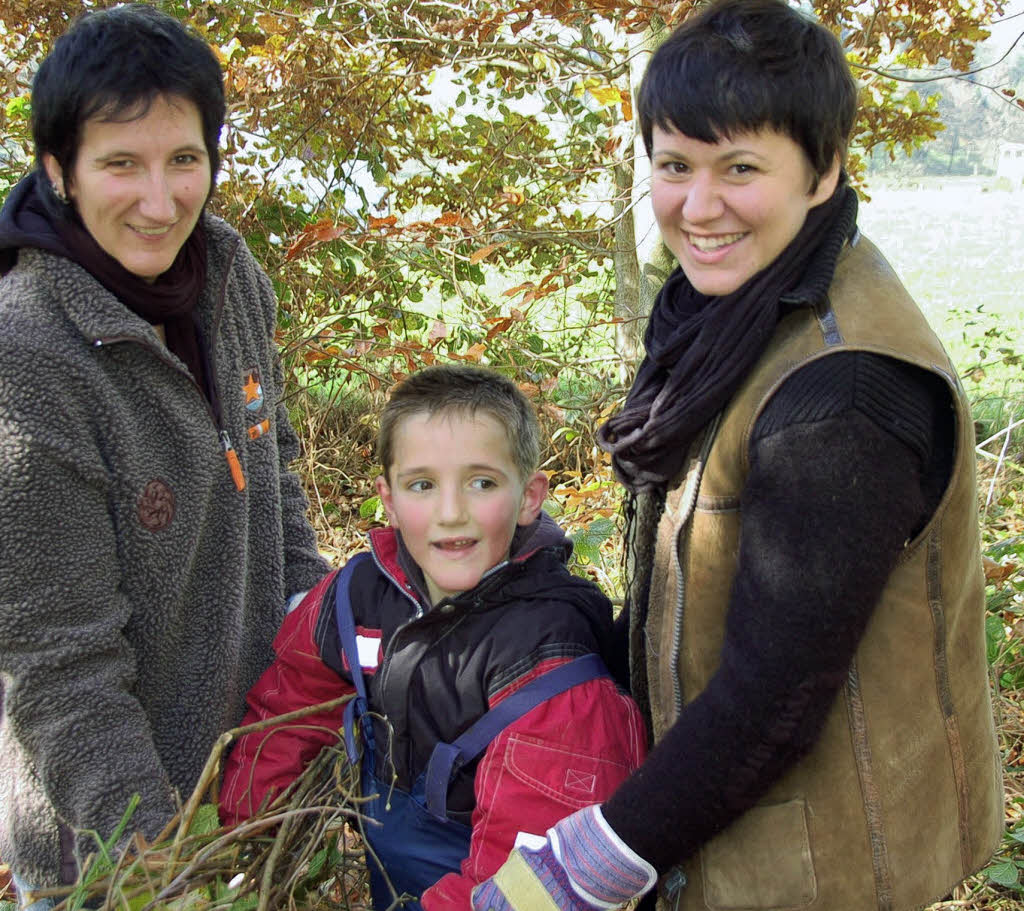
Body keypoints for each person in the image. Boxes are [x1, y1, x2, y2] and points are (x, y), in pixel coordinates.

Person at [472, 1, 1004, 910]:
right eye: (674, 166)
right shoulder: (731, 312)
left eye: (741, 168)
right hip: (722, 827)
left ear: (825, 169)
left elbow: (771, 702)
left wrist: (575, 872)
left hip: (816, 869)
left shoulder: (841, 396)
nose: (698, 206)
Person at [0, 5, 329, 906]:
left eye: (184, 160)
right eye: (120, 164)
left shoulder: (229, 277)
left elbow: (277, 483)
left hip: (258, 793)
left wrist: (323, 650)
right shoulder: (26, 355)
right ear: (57, 171)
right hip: (110, 850)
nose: (160, 200)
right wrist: (159, 869)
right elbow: (57, 664)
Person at [219, 364, 648, 910]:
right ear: (389, 498)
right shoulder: (353, 602)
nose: (451, 513)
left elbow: (526, 885)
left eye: (482, 483)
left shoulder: (552, 665)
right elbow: (282, 718)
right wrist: (241, 854)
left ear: (530, 497)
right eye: (423, 485)